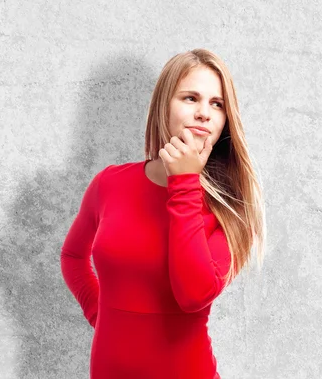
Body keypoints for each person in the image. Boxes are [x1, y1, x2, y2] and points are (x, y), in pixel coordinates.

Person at [60, 49, 265, 378]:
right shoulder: (109, 184)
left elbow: (192, 295)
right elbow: (72, 256)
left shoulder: (232, 210)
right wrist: (102, 315)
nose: (204, 113)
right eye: (190, 98)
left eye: (217, 104)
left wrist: (184, 182)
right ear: (163, 106)